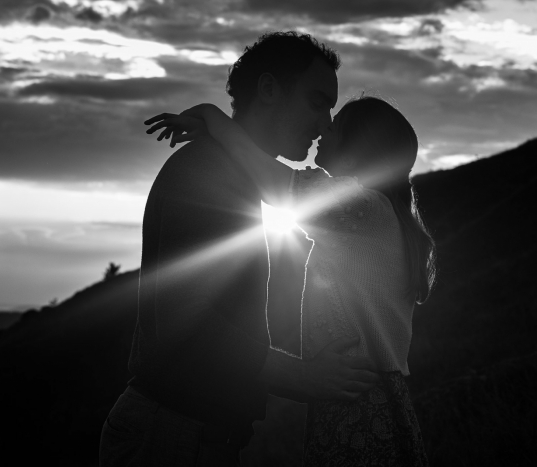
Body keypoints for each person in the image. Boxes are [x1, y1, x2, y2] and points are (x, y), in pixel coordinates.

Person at [98, 31, 382, 467]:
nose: (326, 123)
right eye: (317, 102)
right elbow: (192, 324)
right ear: (268, 89)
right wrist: (304, 376)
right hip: (171, 435)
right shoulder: (209, 173)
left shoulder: (230, 172)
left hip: (187, 433)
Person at [146, 95, 436, 465]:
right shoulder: (375, 215)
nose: (321, 128)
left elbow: (275, 184)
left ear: (357, 148)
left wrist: (214, 117)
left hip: (358, 401)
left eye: (334, 126)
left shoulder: (362, 209)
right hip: (363, 396)